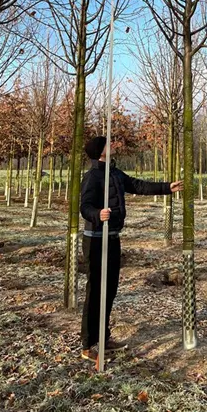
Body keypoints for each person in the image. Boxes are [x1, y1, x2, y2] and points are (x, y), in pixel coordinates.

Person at [80, 135, 183, 361]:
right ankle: (88, 345)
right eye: (108, 144)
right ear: (100, 151)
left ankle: (103, 338)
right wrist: (97, 214)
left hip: (113, 237)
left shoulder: (115, 173)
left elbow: (137, 185)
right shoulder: (92, 177)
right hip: (96, 238)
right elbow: (85, 206)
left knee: (110, 290)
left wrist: (167, 187)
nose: (113, 145)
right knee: (95, 291)